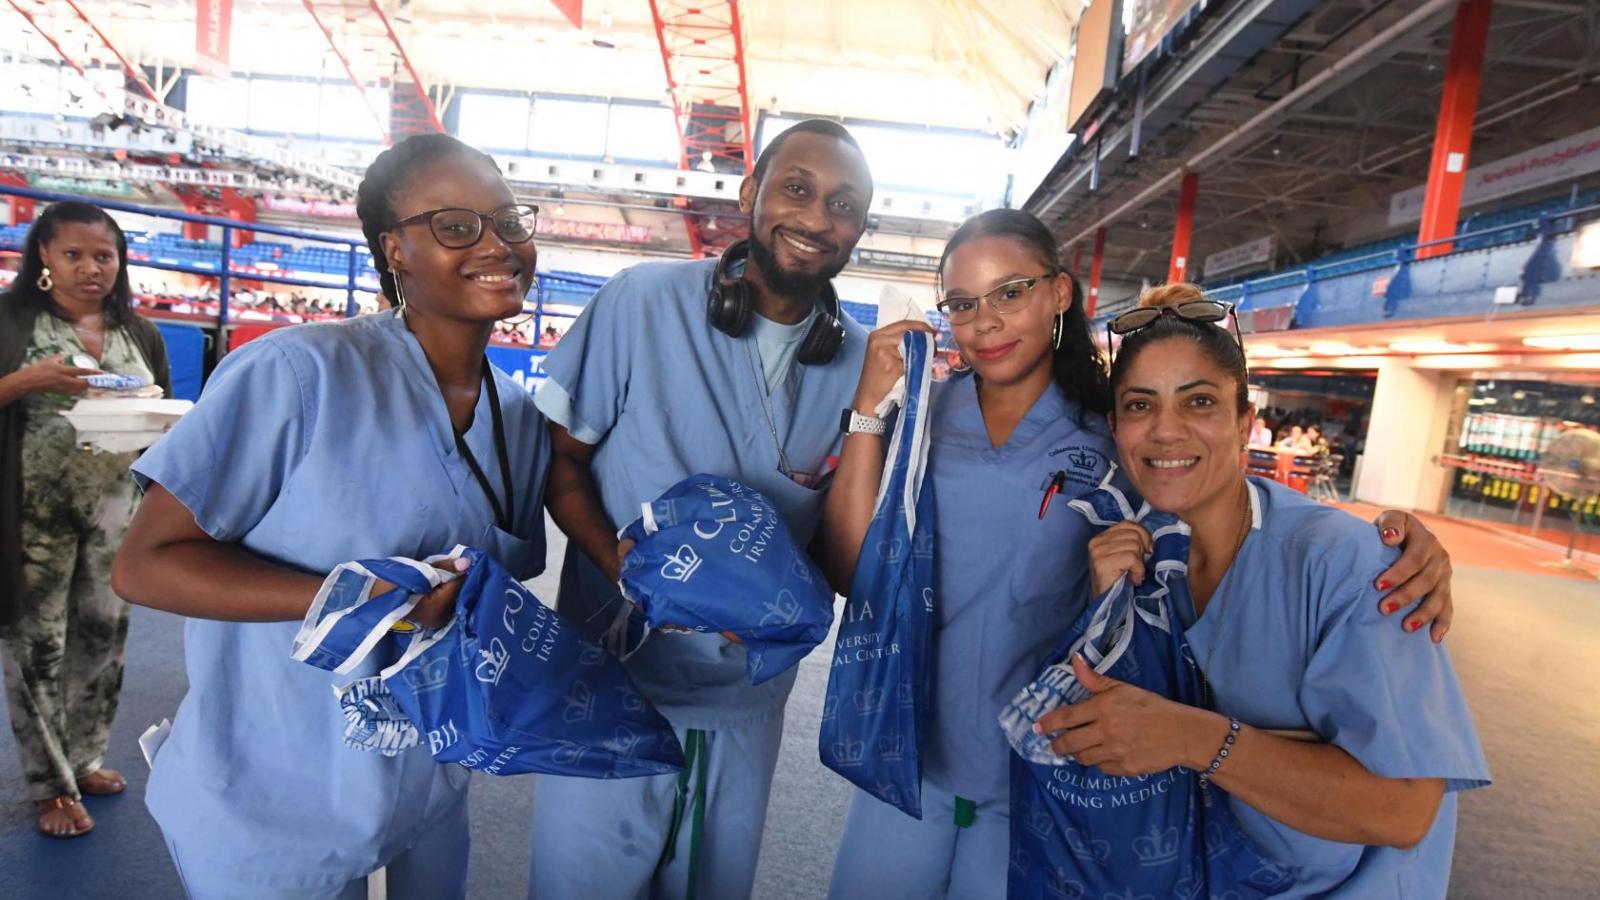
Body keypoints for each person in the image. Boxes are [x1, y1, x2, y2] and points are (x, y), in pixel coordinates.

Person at [820, 216, 1458, 899]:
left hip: (1045, 771)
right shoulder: (924, 417)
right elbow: (856, 569)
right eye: (964, 303)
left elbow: (1225, 503)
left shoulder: (1115, 440)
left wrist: (1394, 540)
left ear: (1060, 292)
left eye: (1011, 292)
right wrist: (868, 409)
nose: (986, 321)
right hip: (915, 749)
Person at [111, 134, 550, 899]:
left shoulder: (517, 419)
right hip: (274, 798)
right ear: (395, 250)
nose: (496, 243)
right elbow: (143, 563)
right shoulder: (297, 373)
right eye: (455, 225)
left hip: (425, 787)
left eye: (509, 220)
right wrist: (353, 598)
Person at [1038, 283, 1488, 896]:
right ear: (1116, 427)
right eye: (1141, 406)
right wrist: (1107, 617)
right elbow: (1114, 735)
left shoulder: (1349, 566)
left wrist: (1193, 736)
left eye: (1198, 402)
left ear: (1245, 421)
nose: (1166, 431)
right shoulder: (1128, 560)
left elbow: (1403, 809)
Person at [526, 119, 874, 900]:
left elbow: (838, 548)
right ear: (750, 194)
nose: (818, 218)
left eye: (844, 204)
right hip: (607, 686)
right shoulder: (641, 303)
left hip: (739, 704)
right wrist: (622, 567)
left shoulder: (861, 364)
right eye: (797, 188)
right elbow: (561, 463)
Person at [0, 200, 171, 838]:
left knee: (103, 639)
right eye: (73, 254)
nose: (90, 268)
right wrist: (25, 381)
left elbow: (163, 421)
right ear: (43, 255)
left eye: (104, 256)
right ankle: (50, 785)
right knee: (35, 646)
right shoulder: (11, 322)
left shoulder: (140, 333)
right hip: (29, 516)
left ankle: (85, 758)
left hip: (116, 516)